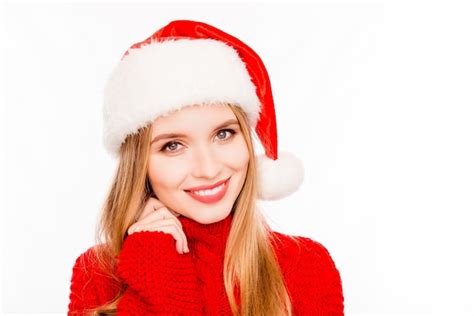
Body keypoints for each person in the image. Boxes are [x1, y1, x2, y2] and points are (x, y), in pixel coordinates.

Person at [67, 20, 344, 315]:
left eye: (223, 134)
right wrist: (155, 271)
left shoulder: (305, 266)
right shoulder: (98, 274)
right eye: (172, 145)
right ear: (140, 165)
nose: (208, 169)